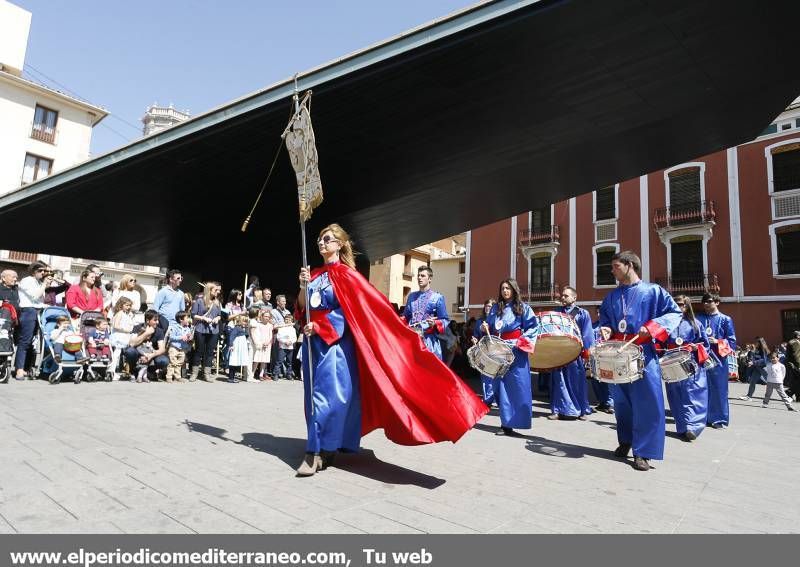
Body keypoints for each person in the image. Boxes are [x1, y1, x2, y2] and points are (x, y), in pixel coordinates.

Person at [295, 223, 487, 476]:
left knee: (330, 399)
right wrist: (302, 286)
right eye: (320, 239)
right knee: (313, 399)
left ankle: (315, 451)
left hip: (336, 347)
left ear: (339, 244)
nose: (321, 243)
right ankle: (323, 447)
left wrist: (322, 327)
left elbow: (351, 312)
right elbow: (303, 306)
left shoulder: (349, 275)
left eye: (327, 239)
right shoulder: (316, 274)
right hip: (313, 346)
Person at [598, 250, 681, 471]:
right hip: (618, 353)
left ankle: (643, 451)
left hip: (643, 352)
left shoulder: (653, 291)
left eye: (616, 266)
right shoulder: (612, 296)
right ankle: (625, 440)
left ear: (629, 265)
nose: (612, 270)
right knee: (622, 401)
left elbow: (674, 313)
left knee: (647, 402)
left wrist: (651, 327)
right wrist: (605, 329)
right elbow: (604, 319)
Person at [472, 278, 537, 436]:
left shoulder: (523, 308)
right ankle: (505, 424)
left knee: (518, 387)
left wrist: (519, 343)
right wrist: (484, 326)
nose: (505, 291)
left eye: (508, 288)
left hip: (517, 352)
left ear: (514, 290)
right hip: (498, 352)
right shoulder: (496, 308)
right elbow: (489, 327)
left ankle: (518, 421)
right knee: (500, 387)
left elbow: (533, 328)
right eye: (503, 288)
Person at [661, 294, 711, 441]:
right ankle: (682, 427)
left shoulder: (696, 324)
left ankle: (693, 427)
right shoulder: (667, 323)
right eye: (676, 303)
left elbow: (705, 344)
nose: (678, 306)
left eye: (681, 304)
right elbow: (660, 343)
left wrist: (697, 347)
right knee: (675, 395)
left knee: (693, 395)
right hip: (671, 363)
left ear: (687, 306)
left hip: (691, 363)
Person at [548, 286, 594, 421]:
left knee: (577, 381)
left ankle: (582, 410)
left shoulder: (582, 313)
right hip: (559, 352)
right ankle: (557, 410)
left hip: (575, 353)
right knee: (558, 382)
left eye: (566, 296)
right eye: (562, 295)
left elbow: (587, 334)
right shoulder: (556, 313)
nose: (563, 298)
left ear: (574, 297)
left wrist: (587, 353)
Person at [695, 293, 737, 428]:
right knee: (701, 388)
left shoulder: (725, 319)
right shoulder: (698, 318)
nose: (706, 304)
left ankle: (719, 419)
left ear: (717, 302)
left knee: (719, 390)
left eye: (709, 301)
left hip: (719, 361)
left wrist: (718, 341)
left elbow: (732, 343)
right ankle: (702, 417)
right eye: (704, 302)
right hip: (701, 358)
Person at [15, 261, 58, 379]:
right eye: (40, 271)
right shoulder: (27, 281)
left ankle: (26, 367)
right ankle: (19, 369)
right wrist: (44, 284)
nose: (43, 273)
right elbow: (34, 296)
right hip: (28, 311)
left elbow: (39, 301)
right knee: (25, 341)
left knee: (33, 342)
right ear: (34, 271)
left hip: (37, 311)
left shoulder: (38, 282)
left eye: (44, 271)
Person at [403, 266, 449, 360]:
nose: (419, 278)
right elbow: (406, 317)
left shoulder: (437, 298)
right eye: (418, 275)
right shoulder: (411, 296)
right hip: (412, 340)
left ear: (430, 279)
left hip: (429, 343)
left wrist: (435, 323)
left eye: (423, 275)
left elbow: (445, 320)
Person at [190, 282, 222, 382]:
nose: (218, 292)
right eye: (215, 290)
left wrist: (217, 318)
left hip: (213, 330)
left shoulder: (217, 302)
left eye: (218, 290)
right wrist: (203, 318)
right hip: (200, 328)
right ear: (209, 290)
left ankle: (206, 374)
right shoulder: (199, 301)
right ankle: (194, 373)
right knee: (199, 351)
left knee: (209, 352)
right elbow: (193, 314)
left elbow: (219, 315)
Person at [124, 310, 168, 382]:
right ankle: (133, 372)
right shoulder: (137, 328)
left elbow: (162, 349)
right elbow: (131, 344)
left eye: (158, 320)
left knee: (164, 360)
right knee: (129, 351)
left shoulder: (159, 331)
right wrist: (146, 334)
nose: (157, 322)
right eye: (155, 320)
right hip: (138, 354)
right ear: (147, 320)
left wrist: (151, 355)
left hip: (151, 355)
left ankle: (149, 372)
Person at [471, 299, 497, 406]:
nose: (488, 308)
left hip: (494, 350)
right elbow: (475, 335)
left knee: (494, 375)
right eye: (486, 306)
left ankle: (493, 397)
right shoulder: (479, 321)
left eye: (490, 306)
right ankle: (488, 398)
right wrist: (474, 340)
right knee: (484, 375)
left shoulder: (496, 320)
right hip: (483, 350)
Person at [166, 311, 194, 383]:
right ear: (181, 319)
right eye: (187, 318)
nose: (188, 319)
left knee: (180, 363)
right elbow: (171, 337)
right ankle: (169, 376)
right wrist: (181, 337)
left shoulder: (187, 328)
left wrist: (189, 337)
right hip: (174, 347)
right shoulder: (175, 327)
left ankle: (177, 377)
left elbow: (188, 337)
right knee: (172, 362)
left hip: (182, 349)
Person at [740, 337, 769, 401]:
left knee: (772, 383)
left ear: (760, 343)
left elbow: (764, 361)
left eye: (757, 342)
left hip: (763, 368)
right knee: (752, 381)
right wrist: (751, 362)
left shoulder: (763, 350)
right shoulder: (756, 349)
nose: (755, 343)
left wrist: (753, 362)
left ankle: (786, 397)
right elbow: (755, 358)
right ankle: (749, 396)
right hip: (757, 368)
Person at [250, 308, 274, 380]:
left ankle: (261, 374)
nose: (267, 318)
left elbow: (270, 335)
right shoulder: (258, 324)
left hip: (267, 344)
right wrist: (261, 342)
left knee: (264, 360)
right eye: (265, 316)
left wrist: (267, 342)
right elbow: (257, 334)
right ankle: (252, 373)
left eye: (268, 317)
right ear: (262, 316)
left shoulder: (270, 325)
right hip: (260, 343)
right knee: (257, 359)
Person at [227, 314, 250, 383]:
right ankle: (231, 378)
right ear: (239, 321)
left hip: (240, 347)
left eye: (246, 322)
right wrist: (231, 345)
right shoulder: (236, 328)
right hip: (236, 347)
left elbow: (246, 335)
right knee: (233, 361)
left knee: (236, 362)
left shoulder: (242, 328)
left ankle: (232, 377)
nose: (245, 323)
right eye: (244, 321)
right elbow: (231, 336)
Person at [274, 313, 298, 380]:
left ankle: (289, 374)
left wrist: (291, 342)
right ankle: (276, 374)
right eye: (286, 319)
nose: (287, 321)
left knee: (289, 362)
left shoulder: (293, 329)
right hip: (282, 347)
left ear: (291, 320)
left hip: (290, 347)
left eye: (289, 319)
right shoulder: (281, 328)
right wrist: (285, 342)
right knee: (279, 361)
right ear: (284, 320)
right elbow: (279, 337)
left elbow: (294, 338)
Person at [785, 331, 800, 401]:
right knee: (797, 380)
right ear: (797, 336)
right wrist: (797, 365)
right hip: (796, 364)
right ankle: (790, 392)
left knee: (796, 380)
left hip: (792, 364)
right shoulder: (795, 342)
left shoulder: (791, 342)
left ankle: (795, 395)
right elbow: (795, 355)